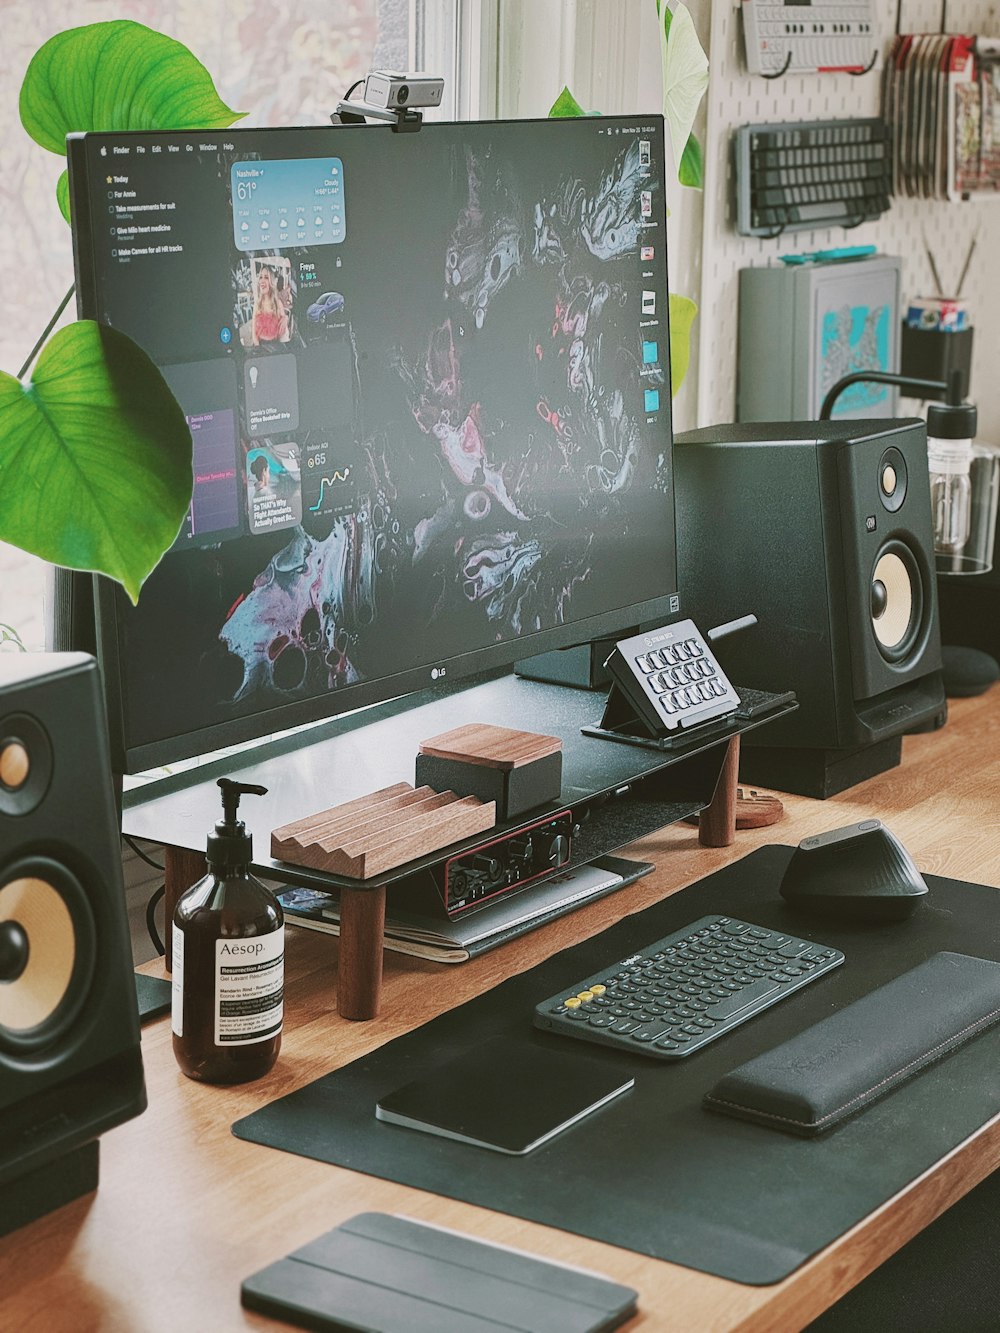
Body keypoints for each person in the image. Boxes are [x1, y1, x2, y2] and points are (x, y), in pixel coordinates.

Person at [252, 265, 289, 345]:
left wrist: (286, 318)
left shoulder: (278, 303)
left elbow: (284, 334)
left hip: (276, 346)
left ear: (271, 282)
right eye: (260, 277)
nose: (262, 281)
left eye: (266, 277)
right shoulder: (257, 304)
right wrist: (258, 349)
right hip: (260, 346)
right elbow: (254, 333)